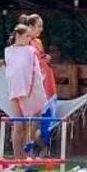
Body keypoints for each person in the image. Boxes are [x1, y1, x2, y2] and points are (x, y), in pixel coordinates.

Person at [19, 13, 59, 154]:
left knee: (42, 118)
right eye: (38, 26)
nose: (41, 29)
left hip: (46, 82)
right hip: (33, 85)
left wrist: (46, 58)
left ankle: (40, 147)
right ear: (29, 27)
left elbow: (40, 58)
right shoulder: (23, 42)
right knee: (30, 120)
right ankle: (28, 151)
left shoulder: (38, 42)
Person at [3, 24, 42, 157]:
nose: (28, 39)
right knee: (18, 125)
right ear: (18, 36)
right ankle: (17, 157)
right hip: (14, 92)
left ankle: (27, 156)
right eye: (26, 36)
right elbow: (11, 72)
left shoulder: (31, 50)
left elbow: (35, 72)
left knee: (29, 125)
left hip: (29, 92)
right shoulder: (8, 51)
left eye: (30, 37)